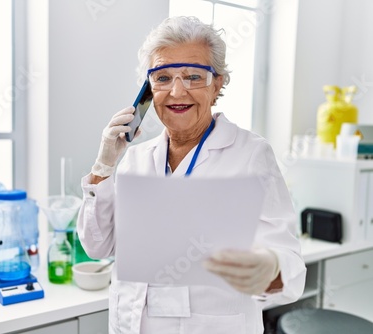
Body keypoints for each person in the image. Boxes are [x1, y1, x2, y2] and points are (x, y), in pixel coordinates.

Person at [77, 16, 306, 334]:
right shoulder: (137, 160)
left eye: (193, 77)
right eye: (163, 78)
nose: (177, 91)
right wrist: (103, 167)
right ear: (149, 88)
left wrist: (270, 269)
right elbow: (97, 247)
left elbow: (290, 265)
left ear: (218, 84)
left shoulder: (251, 154)